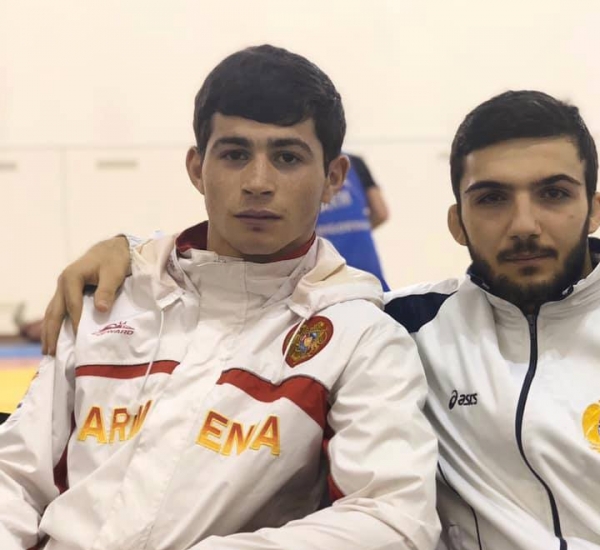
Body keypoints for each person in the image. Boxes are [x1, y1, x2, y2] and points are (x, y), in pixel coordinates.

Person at [38, 90, 600, 550]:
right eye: (492, 199)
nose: (524, 223)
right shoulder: (400, 327)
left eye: (554, 194)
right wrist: (137, 254)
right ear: (457, 220)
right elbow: (252, 292)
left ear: (594, 208)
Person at [0, 44, 440, 550]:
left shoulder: (359, 337)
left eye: (287, 157)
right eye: (234, 154)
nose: (257, 183)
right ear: (197, 168)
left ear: (333, 179)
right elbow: (14, 476)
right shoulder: (110, 299)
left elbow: (392, 520)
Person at [316, 153, 391, 290]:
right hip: (367, 269)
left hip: (325, 274)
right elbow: (381, 213)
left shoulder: (305, 163)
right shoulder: (355, 162)